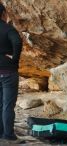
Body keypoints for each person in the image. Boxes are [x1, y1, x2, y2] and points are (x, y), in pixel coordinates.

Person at [0, 3, 23, 144]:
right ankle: (8, 135)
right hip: (8, 72)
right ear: (3, 13)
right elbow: (17, 42)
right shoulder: (8, 29)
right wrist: (14, 59)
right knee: (8, 105)